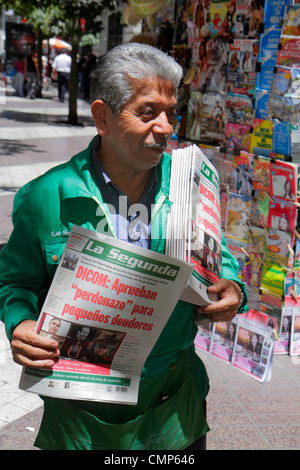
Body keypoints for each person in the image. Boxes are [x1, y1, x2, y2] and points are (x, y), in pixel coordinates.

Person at [0, 43, 248, 451]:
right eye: (148, 112)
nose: (166, 127)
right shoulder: (45, 196)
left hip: (174, 404)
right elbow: (15, 281)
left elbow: (218, 256)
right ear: (102, 117)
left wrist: (233, 287)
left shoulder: (189, 180)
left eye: (172, 112)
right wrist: (20, 323)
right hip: (81, 419)